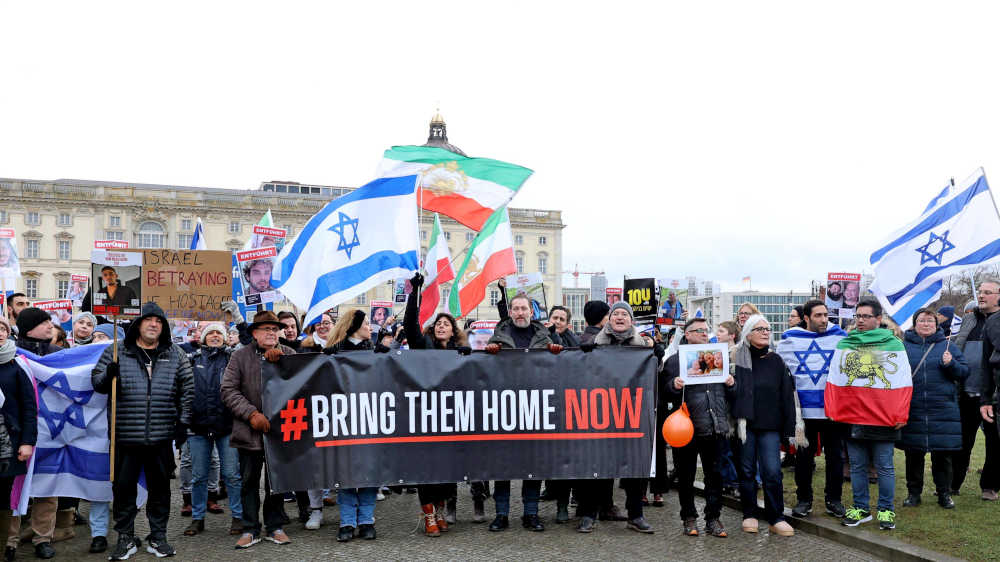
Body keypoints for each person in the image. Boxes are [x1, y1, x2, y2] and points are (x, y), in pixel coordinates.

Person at [92, 302, 193, 560]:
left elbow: (187, 390)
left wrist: (182, 422)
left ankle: (157, 537)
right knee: (123, 489)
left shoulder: (176, 354)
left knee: (160, 490)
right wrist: (108, 376)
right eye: (148, 320)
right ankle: (125, 537)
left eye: (158, 321)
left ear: (164, 327)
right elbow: (98, 383)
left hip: (161, 437)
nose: (153, 324)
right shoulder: (116, 351)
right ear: (137, 324)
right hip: (125, 436)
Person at [573, 301, 655, 534]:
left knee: (635, 468)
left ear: (631, 321)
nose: (620, 317)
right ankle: (589, 514)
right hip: (600, 413)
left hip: (632, 414)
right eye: (616, 313)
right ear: (609, 320)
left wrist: (654, 351)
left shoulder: (643, 348)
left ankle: (636, 515)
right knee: (595, 464)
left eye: (624, 314)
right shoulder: (595, 344)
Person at [484, 294, 560, 532]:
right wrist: (489, 353)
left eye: (523, 308)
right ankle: (501, 514)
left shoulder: (545, 336)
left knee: (533, 464)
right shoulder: (499, 336)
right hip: (505, 409)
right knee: (502, 465)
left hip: (535, 408)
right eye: (515, 308)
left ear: (531, 312)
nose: (519, 312)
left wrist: (557, 350)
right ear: (511, 312)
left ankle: (531, 514)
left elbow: (563, 361)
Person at [221, 311, 295, 549]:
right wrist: (251, 414)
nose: (272, 333)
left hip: (281, 433)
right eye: (266, 329)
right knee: (248, 482)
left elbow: (301, 387)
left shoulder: (290, 354)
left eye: (275, 329)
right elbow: (228, 390)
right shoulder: (240, 356)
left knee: (277, 481)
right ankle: (250, 528)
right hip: (249, 432)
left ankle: (275, 526)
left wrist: (283, 364)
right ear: (254, 333)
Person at [405, 273, 471, 536]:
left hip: (452, 418)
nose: (442, 326)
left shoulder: (460, 353)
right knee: (426, 469)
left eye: (447, 323)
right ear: (432, 329)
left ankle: (441, 510)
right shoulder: (422, 346)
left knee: (448, 469)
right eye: (438, 323)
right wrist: (415, 292)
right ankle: (429, 515)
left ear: (454, 330)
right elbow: (410, 324)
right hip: (425, 417)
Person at [664, 317, 735, 538]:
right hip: (686, 427)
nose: (705, 334)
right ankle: (689, 517)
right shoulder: (675, 361)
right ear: (688, 335)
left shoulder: (718, 357)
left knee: (715, 476)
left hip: (714, 425)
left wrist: (732, 384)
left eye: (707, 330)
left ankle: (713, 518)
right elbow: (663, 392)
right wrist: (673, 386)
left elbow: (730, 394)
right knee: (685, 475)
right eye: (700, 331)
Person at [777, 299, 848, 519]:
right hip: (804, 413)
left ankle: (834, 500)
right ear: (806, 318)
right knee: (804, 458)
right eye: (818, 315)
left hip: (832, 410)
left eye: (826, 315)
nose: (824, 320)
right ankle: (804, 500)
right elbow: (781, 372)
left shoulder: (840, 338)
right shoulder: (790, 340)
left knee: (835, 458)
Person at [840, 298, 907, 531]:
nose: (860, 320)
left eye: (865, 316)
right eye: (857, 316)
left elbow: (903, 384)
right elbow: (838, 380)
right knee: (857, 466)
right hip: (854, 416)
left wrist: (901, 414)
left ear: (879, 319)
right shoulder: (847, 343)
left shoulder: (895, 345)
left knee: (884, 467)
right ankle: (861, 508)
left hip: (883, 417)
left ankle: (886, 510)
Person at [731, 314, 799, 537]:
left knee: (772, 472)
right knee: (747, 471)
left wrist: (789, 429)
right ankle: (749, 513)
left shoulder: (776, 361)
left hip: (770, 426)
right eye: (759, 329)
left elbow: (786, 396)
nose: (765, 332)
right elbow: (728, 394)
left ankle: (775, 517)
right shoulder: (735, 359)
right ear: (748, 333)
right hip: (745, 425)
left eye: (767, 329)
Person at [899, 308, 969, 509]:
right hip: (914, 408)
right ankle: (913, 494)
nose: (927, 324)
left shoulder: (948, 346)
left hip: (942, 409)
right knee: (913, 455)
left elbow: (964, 372)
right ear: (915, 324)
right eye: (922, 320)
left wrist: (951, 364)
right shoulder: (903, 347)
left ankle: (944, 494)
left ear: (936, 325)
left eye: (930, 321)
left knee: (942, 456)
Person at [323, 309, 381, 542]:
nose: (370, 327)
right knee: (345, 472)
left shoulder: (374, 352)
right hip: (343, 421)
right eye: (366, 323)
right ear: (355, 326)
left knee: (369, 472)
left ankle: (366, 519)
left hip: (370, 419)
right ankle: (347, 521)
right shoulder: (333, 353)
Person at [184, 323, 243, 537]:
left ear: (226, 337)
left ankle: (238, 516)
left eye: (219, 333)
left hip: (227, 425)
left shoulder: (232, 358)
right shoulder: (191, 359)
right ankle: (197, 518)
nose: (215, 336)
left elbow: (246, 345)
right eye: (211, 333)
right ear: (204, 338)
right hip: (198, 426)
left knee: (231, 474)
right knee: (198, 475)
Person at [953, 281, 1000, 501]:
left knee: (994, 444)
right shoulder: (969, 320)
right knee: (961, 441)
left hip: (992, 396)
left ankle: (989, 486)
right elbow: (958, 349)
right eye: (980, 292)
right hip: (966, 392)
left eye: (987, 293)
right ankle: (953, 484)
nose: (981, 296)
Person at [0, 316, 39, 562]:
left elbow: (29, 407)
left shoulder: (17, 366)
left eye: (2, 329)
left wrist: (27, 442)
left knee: (5, 498)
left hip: (8, 445)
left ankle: (6, 545)